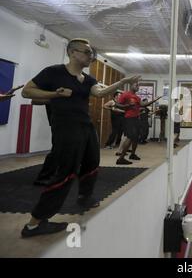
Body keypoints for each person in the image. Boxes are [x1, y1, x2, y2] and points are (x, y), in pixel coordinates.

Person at [20, 38, 140, 238]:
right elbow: (26, 92)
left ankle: (85, 196)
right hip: (66, 128)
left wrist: (122, 82)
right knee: (66, 172)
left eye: (91, 53)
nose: (90, 56)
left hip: (86, 126)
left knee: (92, 162)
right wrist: (55, 94)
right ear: (73, 52)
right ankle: (34, 223)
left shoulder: (88, 79)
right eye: (86, 52)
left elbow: (100, 94)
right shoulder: (54, 72)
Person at [116, 82, 160, 164]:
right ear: (131, 85)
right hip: (129, 119)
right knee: (130, 137)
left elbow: (143, 104)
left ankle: (132, 154)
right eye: (136, 85)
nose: (138, 87)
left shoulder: (137, 97)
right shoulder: (126, 94)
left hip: (136, 118)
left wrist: (154, 100)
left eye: (138, 86)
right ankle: (120, 159)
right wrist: (127, 106)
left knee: (136, 138)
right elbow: (117, 104)